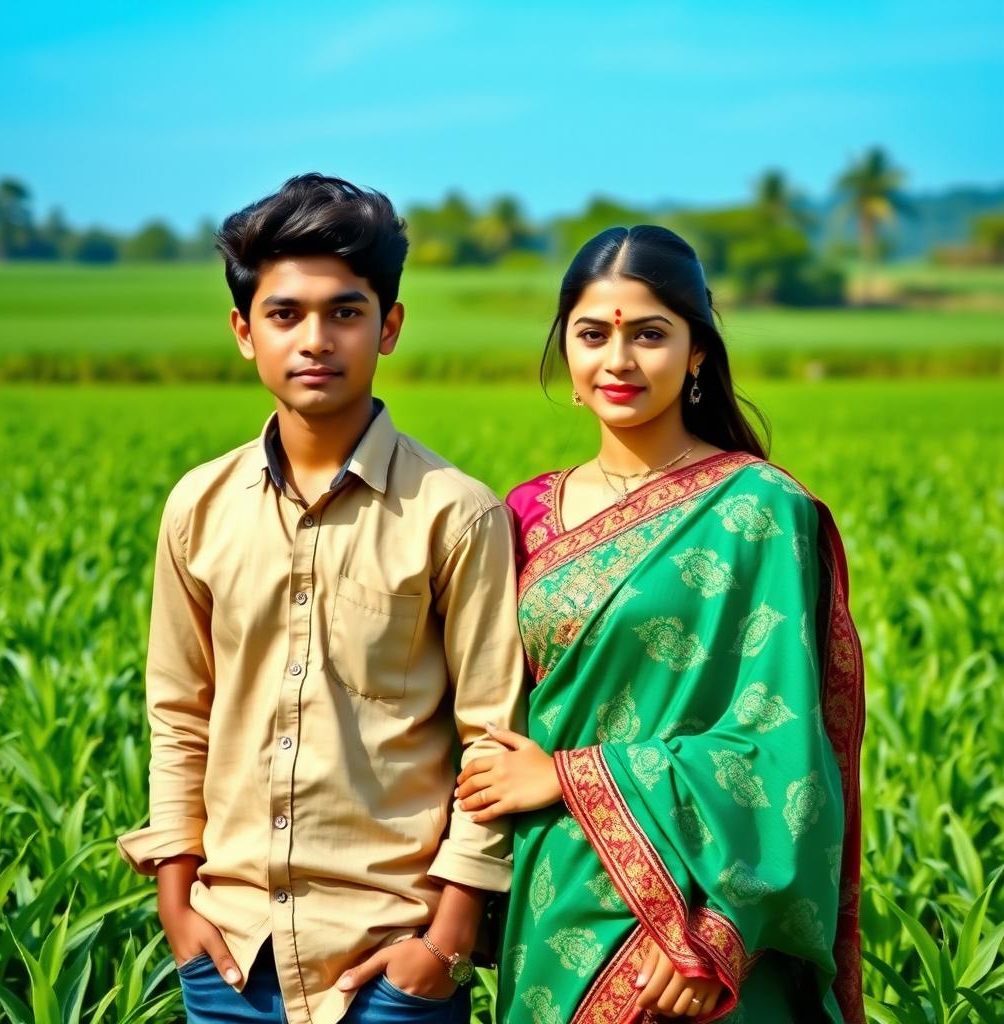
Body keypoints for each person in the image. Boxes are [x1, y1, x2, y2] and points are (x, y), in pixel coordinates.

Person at [117, 173, 527, 1024]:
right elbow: (179, 711)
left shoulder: (455, 513)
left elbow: (492, 738)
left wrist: (444, 944)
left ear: (391, 327)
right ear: (243, 332)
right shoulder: (198, 505)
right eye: (285, 314)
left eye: (345, 312)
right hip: (229, 952)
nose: (316, 339)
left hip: (389, 958)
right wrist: (177, 903)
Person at [456, 226, 865, 1023]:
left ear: (698, 353)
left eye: (649, 333)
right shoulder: (524, 515)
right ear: (565, 354)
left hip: (701, 928)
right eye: (592, 334)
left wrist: (718, 927)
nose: (619, 360)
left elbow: (781, 745)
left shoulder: (758, 509)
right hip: (554, 904)